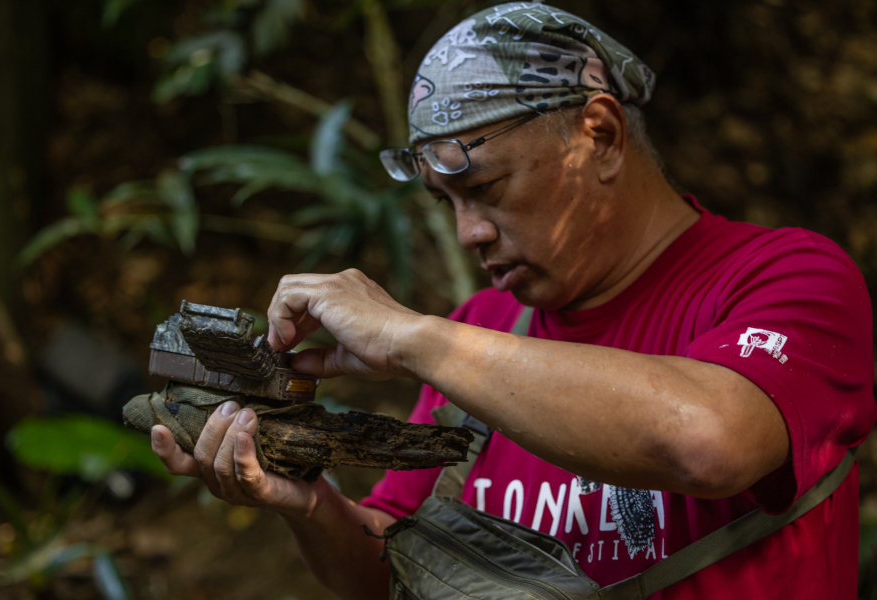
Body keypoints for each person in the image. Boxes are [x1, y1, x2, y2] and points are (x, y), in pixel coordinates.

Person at [151, 3, 876, 598]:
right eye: (445, 202)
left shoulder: (785, 277)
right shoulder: (483, 330)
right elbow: (394, 572)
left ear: (598, 135)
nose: (468, 231)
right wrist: (307, 504)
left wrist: (416, 339)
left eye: (485, 188)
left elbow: (709, 441)